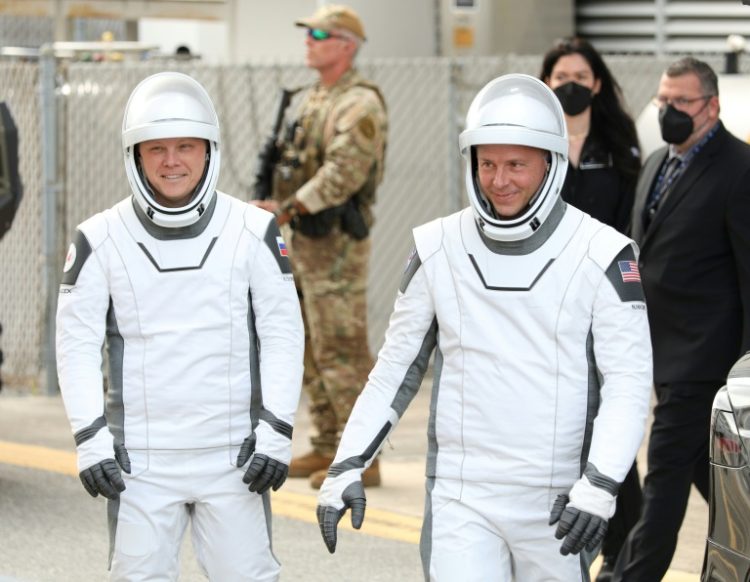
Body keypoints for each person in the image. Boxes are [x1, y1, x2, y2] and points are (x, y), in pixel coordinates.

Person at [316, 73, 653, 581]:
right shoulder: (436, 246)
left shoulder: (603, 253)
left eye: (517, 164)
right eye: (487, 163)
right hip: (461, 494)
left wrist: (600, 484)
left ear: (551, 162)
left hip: (559, 499)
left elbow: (628, 383)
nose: (499, 180)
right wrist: (347, 464)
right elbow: (394, 371)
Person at [55, 71, 304, 581]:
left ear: (209, 150)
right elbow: (76, 343)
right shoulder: (99, 238)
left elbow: (282, 333)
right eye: (157, 149)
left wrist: (277, 430)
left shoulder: (254, 230)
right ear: (135, 156)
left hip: (236, 455)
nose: (172, 162)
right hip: (139, 463)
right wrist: (90, 437)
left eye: (186, 147)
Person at [611, 57, 750, 581]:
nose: (668, 111)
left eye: (681, 103)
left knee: (663, 481)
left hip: (705, 361)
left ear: (711, 107)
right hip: (660, 354)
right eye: (662, 101)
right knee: (707, 476)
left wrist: (745, 368)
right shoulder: (655, 164)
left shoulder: (740, 169)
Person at [251, 4, 388, 489]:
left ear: (346, 45)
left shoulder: (359, 104)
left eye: (318, 33)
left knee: (342, 351)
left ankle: (362, 455)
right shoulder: (316, 98)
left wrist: (286, 209)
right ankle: (329, 442)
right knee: (310, 346)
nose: (308, 40)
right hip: (307, 241)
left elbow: (343, 173)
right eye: (307, 32)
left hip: (336, 246)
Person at [540, 37, 643, 581]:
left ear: (597, 83)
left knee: (610, 418)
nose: (570, 84)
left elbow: (632, 230)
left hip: (603, 302)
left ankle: (622, 547)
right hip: (545, 304)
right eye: (560, 76)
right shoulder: (535, 146)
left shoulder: (619, 148)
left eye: (580, 75)